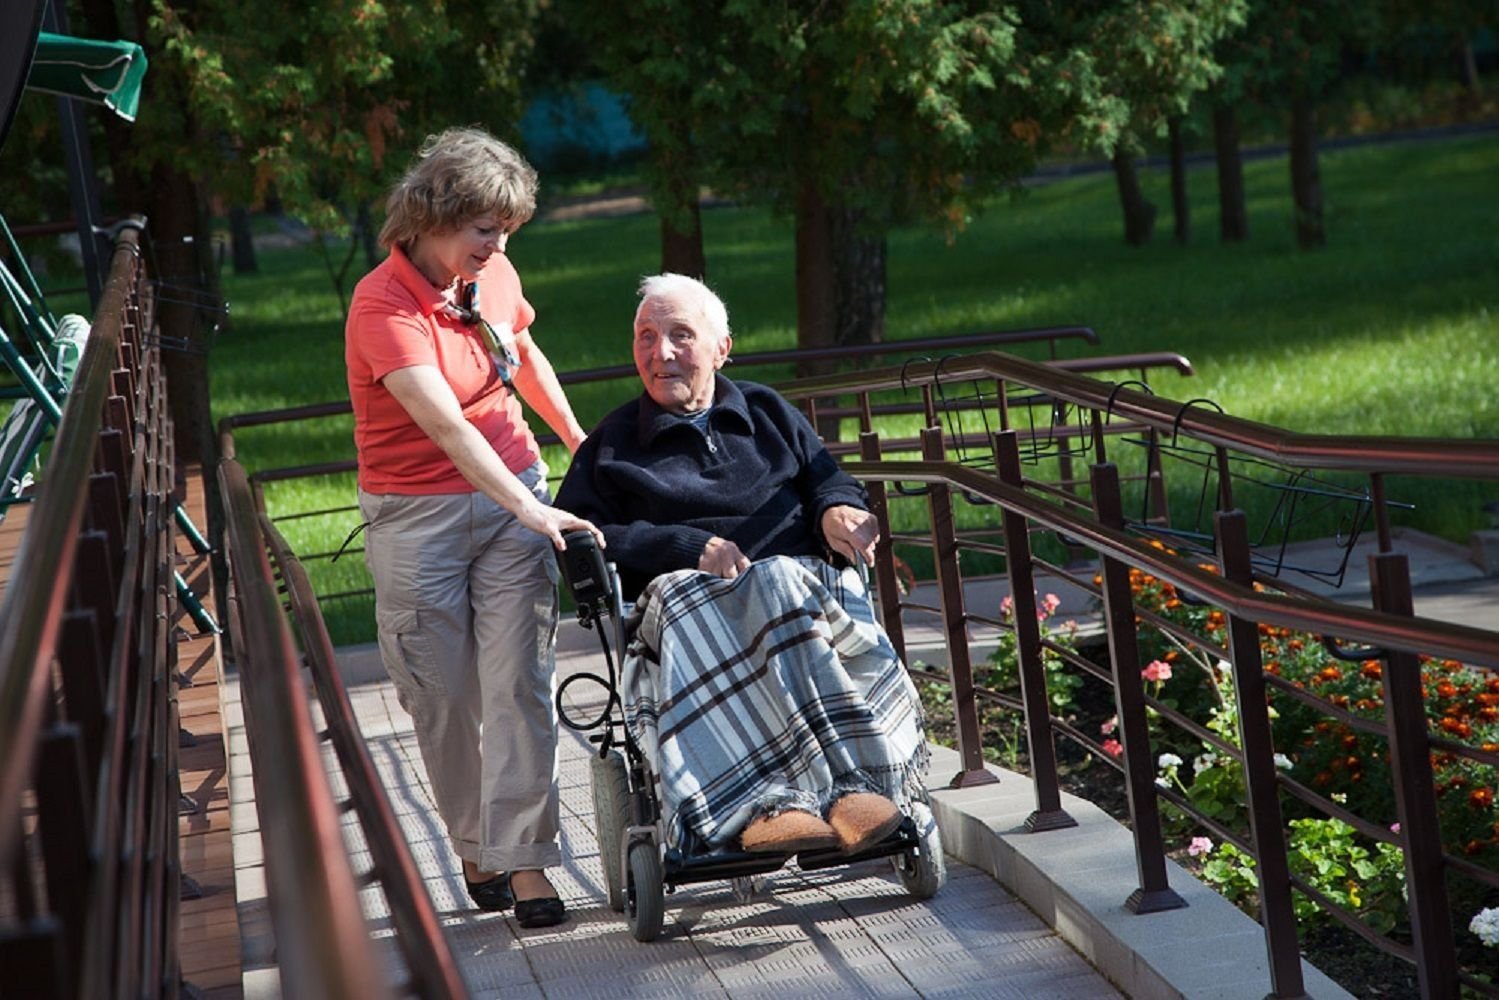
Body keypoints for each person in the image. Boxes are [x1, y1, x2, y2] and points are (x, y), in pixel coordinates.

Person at [555, 273, 930, 857]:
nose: (661, 353)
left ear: (721, 348)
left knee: (779, 576)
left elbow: (828, 478)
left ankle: (854, 792)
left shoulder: (766, 410)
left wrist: (837, 509)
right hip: (686, 607)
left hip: (800, 593)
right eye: (646, 337)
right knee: (732, 585)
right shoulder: (612, 445)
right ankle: (765, 804)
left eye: (681, 335)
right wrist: (685, 548)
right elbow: (580, 533)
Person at [345, 127, 599, 928]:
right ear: (427, 218)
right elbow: (447, 428)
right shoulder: (381, 305)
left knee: (517, 684)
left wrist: (577, 445)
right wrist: (528, 506)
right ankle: (473, 843)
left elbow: (524, 350)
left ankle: (524, 864)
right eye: (483, 228)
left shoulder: (490, 274)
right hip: (417, 516)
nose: (496, 243)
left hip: (512, 495)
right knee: (443, 695)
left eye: (506, 229)